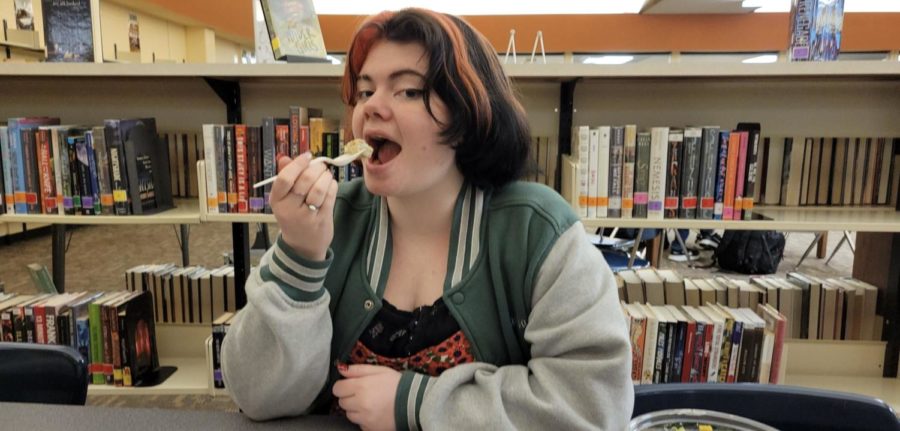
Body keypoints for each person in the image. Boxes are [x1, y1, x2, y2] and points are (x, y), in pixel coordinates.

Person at [221, 8, 633, 431]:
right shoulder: (327, 222)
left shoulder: (537, 231)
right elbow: (255, 397)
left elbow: (594, 408)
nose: (371, 109)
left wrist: (414, 403)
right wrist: (301, 259)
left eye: (409, 92)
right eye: (365, 92)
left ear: (467, 115)